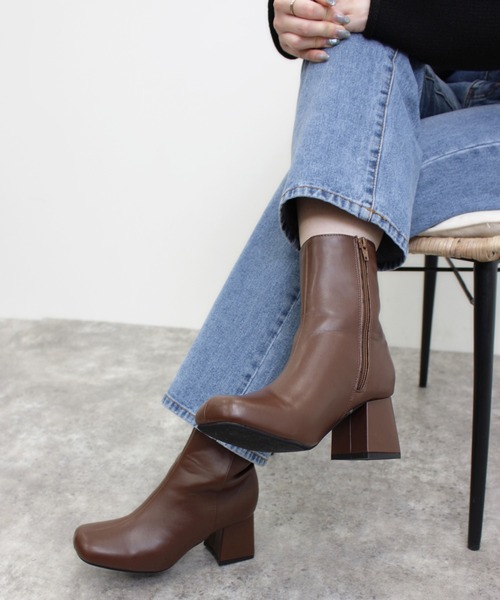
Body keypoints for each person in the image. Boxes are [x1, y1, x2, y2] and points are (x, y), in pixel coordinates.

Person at [73, 0, 500, 573]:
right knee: (343, 49)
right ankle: (344, 356)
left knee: (338, 181)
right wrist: (296, 16)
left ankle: (212, 476)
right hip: (429, 85)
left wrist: (384, 11)